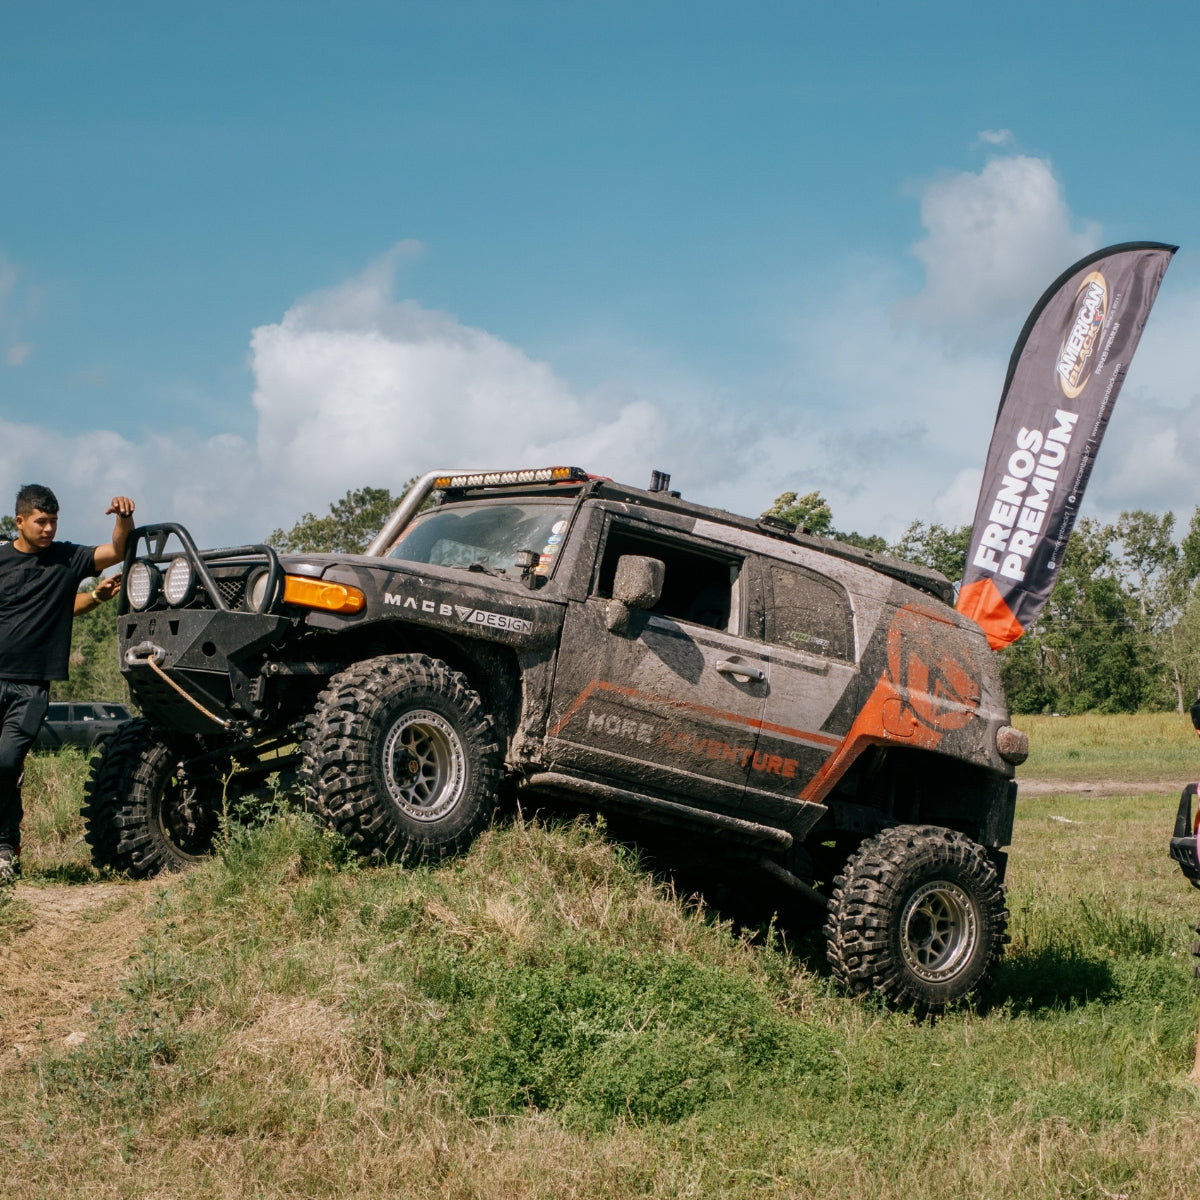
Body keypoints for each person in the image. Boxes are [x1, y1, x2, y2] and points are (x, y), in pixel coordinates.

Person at [0, 484, 135, 881]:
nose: (48, 529)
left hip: (32, 685)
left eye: (54, 522)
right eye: (41, 521)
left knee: (6, 762)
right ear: (20, 521)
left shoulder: (67, 558)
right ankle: (7, 850)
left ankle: (5, 846)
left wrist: (124, 519)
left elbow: (117, 551)